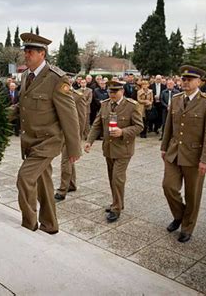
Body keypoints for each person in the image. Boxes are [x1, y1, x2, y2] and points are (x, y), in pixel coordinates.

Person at [16, 32, 81, 234]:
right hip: (30, 141)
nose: (26, 55)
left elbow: (70, 116)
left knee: (24, 178)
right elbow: (22, 107)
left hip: (48, 142)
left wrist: (74, 149)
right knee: (44, 184)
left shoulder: (56, 79)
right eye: (25, 51)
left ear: (42, 54)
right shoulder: (27, 75)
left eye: (30, 52)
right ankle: (50, 225)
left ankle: (29, 224)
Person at [161, 65, 206, 243]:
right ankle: (179, 215)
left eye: (189, 80)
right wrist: (164, 147)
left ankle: (187, 227)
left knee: (193, 194)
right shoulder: (177, 99)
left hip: (195, 157)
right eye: (183, 79)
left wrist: (205, 159)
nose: (185, 82)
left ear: (199, 82)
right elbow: (169, 126)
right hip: (173, 152)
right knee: (168, 186)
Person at [85, 80, 143, 223]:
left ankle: (116, 208)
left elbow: (139, 126)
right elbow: (97, 124)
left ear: (122, 91)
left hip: (124, 149)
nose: (112, 95)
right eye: (110, 92)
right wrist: (89, 141)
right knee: (112, 178)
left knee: (117, 178)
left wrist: (122, 131)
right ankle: (117, 202)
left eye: (115, 92)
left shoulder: (131, 106)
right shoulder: (105, 105)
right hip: (109, 148)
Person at [54, 78, 87, 201]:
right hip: (60, 133)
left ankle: (62, 190)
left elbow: (82, 118)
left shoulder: (78, 96)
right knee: (69, 160)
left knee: (65, 161)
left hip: (71, 134)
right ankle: (71, 184)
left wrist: (77, 137)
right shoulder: (58, 93)